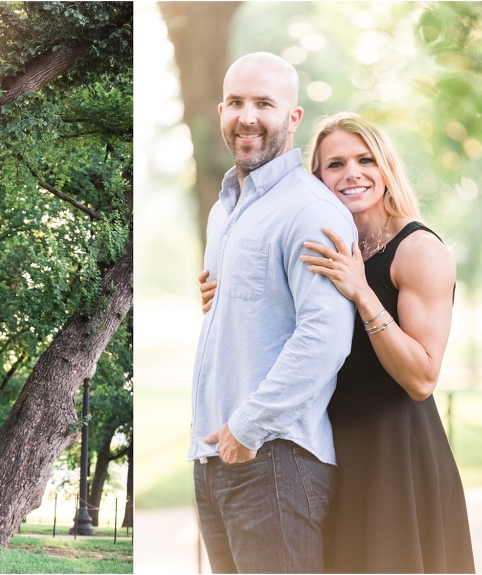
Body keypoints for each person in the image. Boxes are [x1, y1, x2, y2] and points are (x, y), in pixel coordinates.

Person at [201, 112, 475, 573]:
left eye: (365, 159)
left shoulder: (419, 250)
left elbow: (423, 377)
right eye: (335, 164)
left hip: (394, 452)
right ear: (317, 178)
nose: (352, 173)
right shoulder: (321, 241)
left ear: (386, 167)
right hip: (327, 447)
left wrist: (363, 294)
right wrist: (224, 294)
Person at [190, 52, 357, 574]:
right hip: (217, 459)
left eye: (264, 103)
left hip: (274, 459)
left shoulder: (310, 210)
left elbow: (325, 336)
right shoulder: (225, 210)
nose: (247, 117)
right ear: (220, 111)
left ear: (293, 117)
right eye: (236, 102)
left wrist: (248, 428)